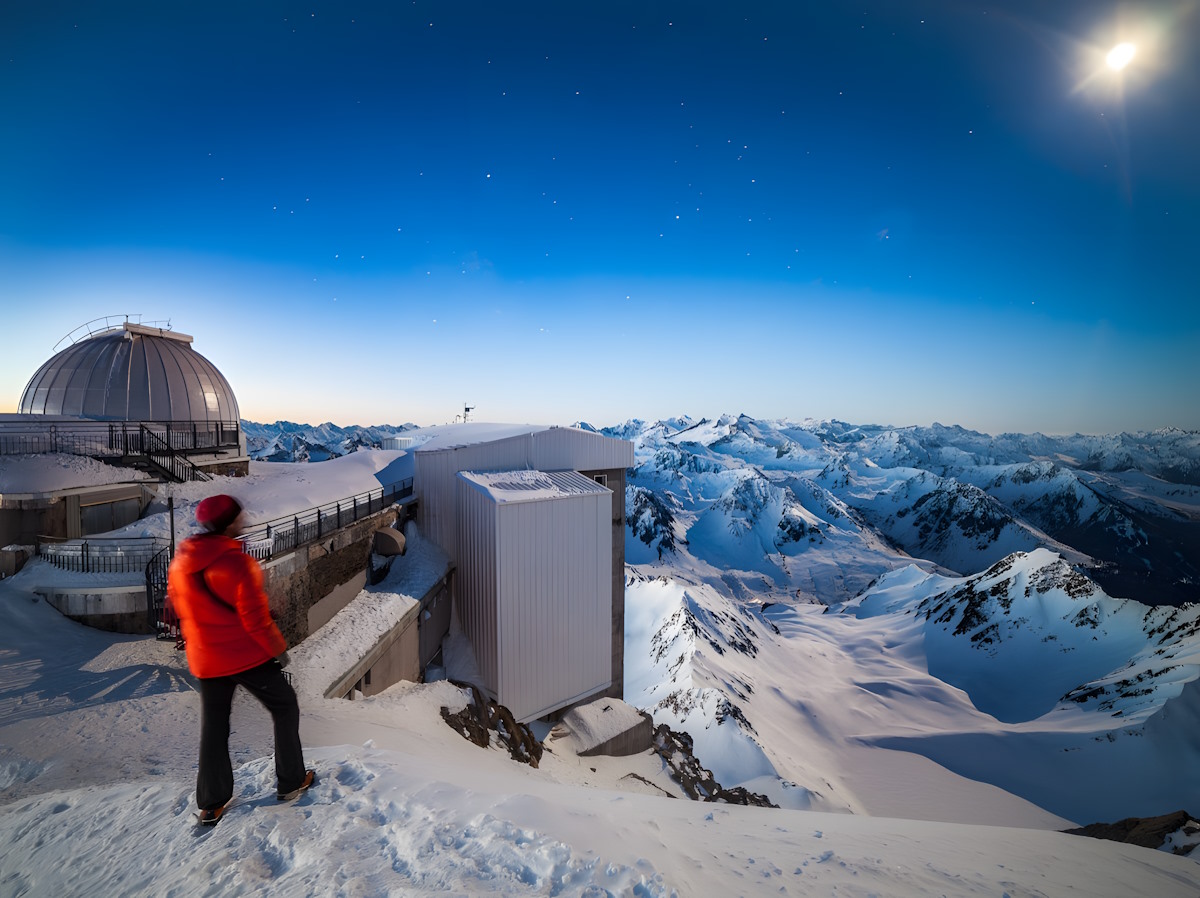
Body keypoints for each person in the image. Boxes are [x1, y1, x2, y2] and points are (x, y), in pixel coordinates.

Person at [167, 493, 314, 824]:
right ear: (229, 523)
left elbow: (179, 608)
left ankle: (211, 802)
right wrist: (278, 649)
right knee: (285, 704)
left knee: (214, 726)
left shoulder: (180, 564)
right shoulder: (238, 563)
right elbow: (255, 619)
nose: (243, 520)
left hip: (206, 660)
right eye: (238, 517)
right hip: (245, 656)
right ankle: (291, 781)